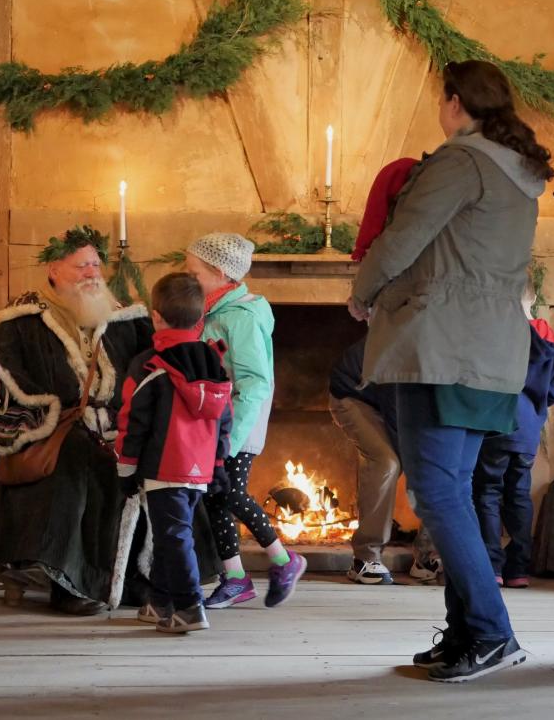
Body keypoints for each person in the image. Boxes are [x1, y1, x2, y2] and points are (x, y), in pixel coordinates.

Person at [350, 59, 553, 683]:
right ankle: (466, 630)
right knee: (454, 491)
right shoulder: (518, 173)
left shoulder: (459, 162)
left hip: (440, 345)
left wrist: (362, 290)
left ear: (455, 101)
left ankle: (492, 633)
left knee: (435, 492)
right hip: (490, 350)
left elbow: (403, 236)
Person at [0, 225, 155, 616]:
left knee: (154, 456)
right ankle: (72, 582)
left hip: (121, 427)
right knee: (80, 459)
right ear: (54, 269)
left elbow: (157, 367)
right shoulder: (20, 322)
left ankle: (142, 578)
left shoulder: (128, 321)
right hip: (55, 432)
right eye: (82, 265)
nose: (92, 273)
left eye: (96, 265)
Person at [184, 233, 307, 608]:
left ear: (219, 273)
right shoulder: (212, 311)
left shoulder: (242, 318)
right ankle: (235, 576)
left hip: (238, 422)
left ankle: (285, 560)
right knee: (215, 499)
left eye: (193, 271)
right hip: (217, 422)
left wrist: (232, 440)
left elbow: (254, 382)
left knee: (229, 492)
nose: (187, 278)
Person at [114, 273, 233, 633]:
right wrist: (217, 464)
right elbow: (224, 419)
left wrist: (125, 467)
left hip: (163, 464)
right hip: (200, 468)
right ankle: (160, 602)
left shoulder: (149, 364)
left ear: (156, 316)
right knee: (171, 533)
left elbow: (133, 421)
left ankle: (190, 606)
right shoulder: (213, 361)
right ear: (200, 319)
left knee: (173, 536)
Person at [473, 279, 554, 589]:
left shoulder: (498, 332)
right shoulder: (547, 336)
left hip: (495, 424)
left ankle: (491, 566)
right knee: (519, 495)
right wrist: (536, 408)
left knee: (487, 493)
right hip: (528, 429)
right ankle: (518, 570)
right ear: (533, 297)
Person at [329, 337, 440, 585]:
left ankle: (428, 556)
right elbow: (397, 415)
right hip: (354, 394)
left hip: (399, 398)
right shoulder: (408, 352)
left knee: (437, 466)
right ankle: (365, 557)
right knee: (386, 462)